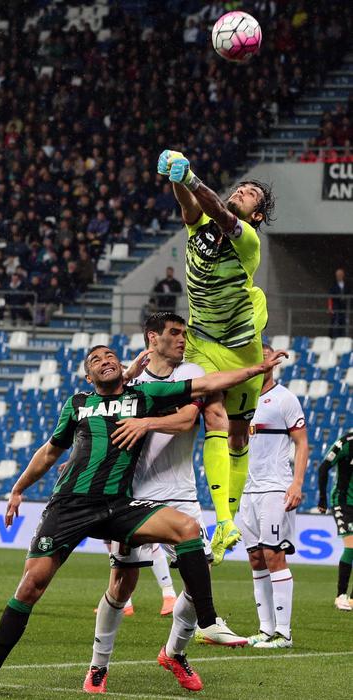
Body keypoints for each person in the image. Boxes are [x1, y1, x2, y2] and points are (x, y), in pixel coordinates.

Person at [0, 344, 285, 696]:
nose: (105, 361)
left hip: (118, 506)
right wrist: (18, 489)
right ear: (89, 376)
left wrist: (257, 369)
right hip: (69, 506)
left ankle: (206, 621)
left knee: (187, 530)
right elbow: (51, 451)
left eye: (110, 356)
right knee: (31, 587)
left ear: (122, 365)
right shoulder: (78, 405)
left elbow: (208, 385)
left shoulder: (143, 396)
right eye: (96, 360)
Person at [84, 313, 247, 695]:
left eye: (184, 333)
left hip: (181, 493)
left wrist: (148, 422)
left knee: (198, 576)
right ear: (151, 338)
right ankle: (97, 666)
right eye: (174, 333)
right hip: (133, 494)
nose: (181, 339)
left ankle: (174, 652)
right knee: (122, 583)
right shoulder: (129, 381)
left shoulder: (192, 371)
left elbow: (191, 419)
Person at [157, 149, 276, 564]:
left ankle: (231, 519)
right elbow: (190, 204)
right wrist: (175, 174)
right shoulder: (201, 224)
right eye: (240, 188)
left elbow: (217, 211)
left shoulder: (247, 238)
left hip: (242, 347)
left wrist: (189, 177)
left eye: (249, 196)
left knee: (241, 435)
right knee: (214, 416)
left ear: (256, 215)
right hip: (203, 340)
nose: (241, 193)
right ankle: (222, 522)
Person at [239, 343, 309, 649]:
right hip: (246, 490)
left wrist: (296, 484)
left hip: (275, 487)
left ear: (273, 361)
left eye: (264, 354)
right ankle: (265, 630)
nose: (260, 359)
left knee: (273, 555)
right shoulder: (240, 399)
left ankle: (284, 633)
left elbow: (303, 443)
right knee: (255, 559)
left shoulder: (285, 398)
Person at [318, 429, 353, 611]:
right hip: (343, 501)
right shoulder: (346, 442)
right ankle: (340, 595)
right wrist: (322, 500)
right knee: (351, 546)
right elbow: (324, 467)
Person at [328, 267, 350, 338]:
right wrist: (330, 307)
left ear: (343, 275)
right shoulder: (333, 286)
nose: (338, 277)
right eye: (337, 275)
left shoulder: (347, 286)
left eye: (340, 275)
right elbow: (330, 297)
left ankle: (342, 338)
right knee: (335, 324)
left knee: (344, 324)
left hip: (344, 308)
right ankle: (334, 339)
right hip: (336, 307)